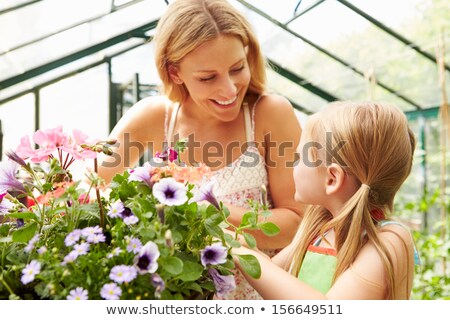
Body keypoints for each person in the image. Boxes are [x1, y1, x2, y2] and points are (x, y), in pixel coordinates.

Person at [98, 0, 304, 299]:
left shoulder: (269, 114)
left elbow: (297, 223)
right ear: (174, 72)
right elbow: (92, 193)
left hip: (258, 293)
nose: (230, 89)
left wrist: (209, 211)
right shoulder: (154, 117)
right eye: (208, 78)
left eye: (237, 68)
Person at [233, 101, 418, 299]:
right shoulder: (321, 229)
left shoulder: (389, 240)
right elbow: (273, 275)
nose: (292, 165)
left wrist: (245, 254)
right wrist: (241, 246)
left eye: (299, 157)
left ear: (332, 178)